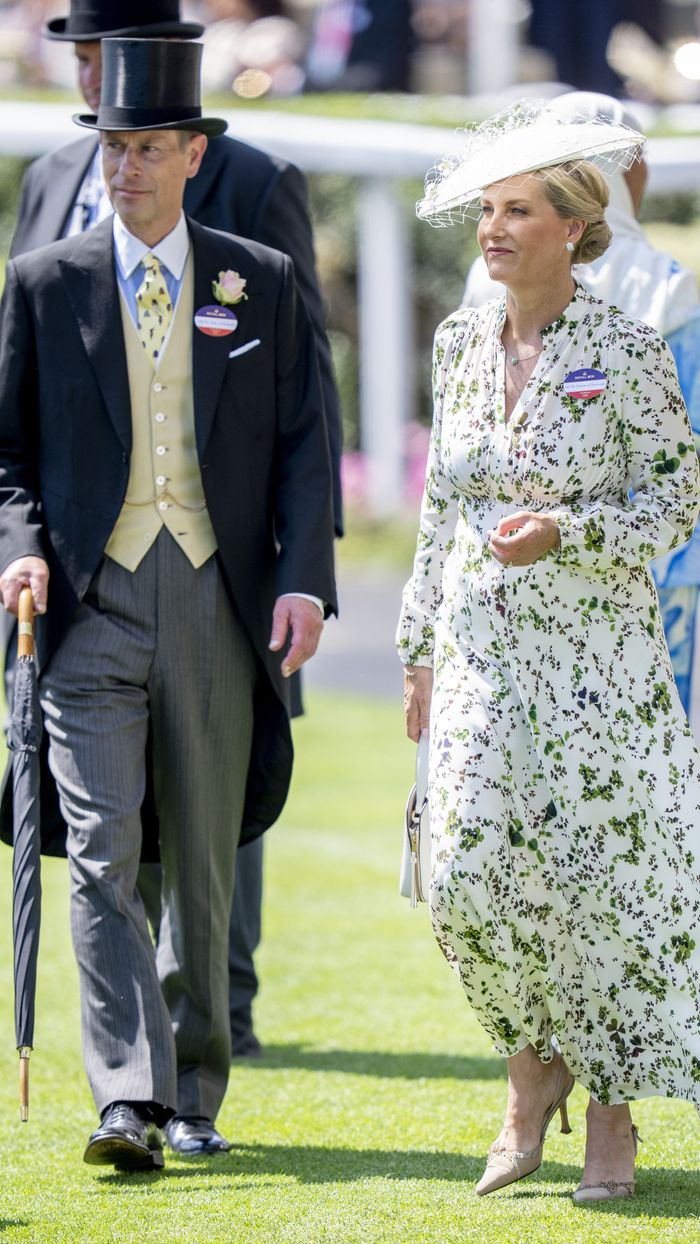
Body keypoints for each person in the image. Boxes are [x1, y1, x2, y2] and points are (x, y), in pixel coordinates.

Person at [0, 35, 336, 1169]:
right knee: (100, 850)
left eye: (148, 147)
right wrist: (20, 551)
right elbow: (6, 456)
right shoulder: (43, 283)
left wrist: (305, 579)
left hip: (213, 596)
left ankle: (195, 1088)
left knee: (200, 857)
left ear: (194, 155)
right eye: (112, 146)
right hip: (87, 605)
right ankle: (128, 1099)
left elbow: (303, 444)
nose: (125, 166)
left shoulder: (258, 278)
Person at [398, 100, 700, 1201]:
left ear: (573, 226)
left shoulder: (626, 348)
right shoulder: (457, 342)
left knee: (600, 886)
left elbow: (676, 499)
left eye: (517, 209)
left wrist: (569, 531)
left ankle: (609, 1111)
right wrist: (416, 645)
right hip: (478, 651)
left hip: (599, 666)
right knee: (464, 875)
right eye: (487, 209)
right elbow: (439, 505)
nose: (493, 229)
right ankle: (532, 1067)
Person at [464, 91, 700, 734]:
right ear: (626, 171)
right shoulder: (668, 288)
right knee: (646, 758)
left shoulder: (489, 279)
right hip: (652, 569)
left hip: (503, 560)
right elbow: (683, 459)